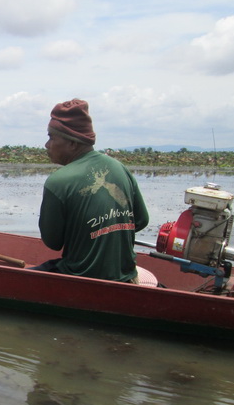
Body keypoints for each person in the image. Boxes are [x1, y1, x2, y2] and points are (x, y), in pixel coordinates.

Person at [33, 99, 149, 282]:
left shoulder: (57, 182)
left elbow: (53, 242)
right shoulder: (120, 168)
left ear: (72, 143)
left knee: (29, 274)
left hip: (80, 278)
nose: (47, 145)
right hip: (127, 278)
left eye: (51, 137)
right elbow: (141, 221)